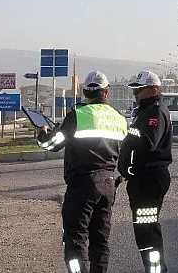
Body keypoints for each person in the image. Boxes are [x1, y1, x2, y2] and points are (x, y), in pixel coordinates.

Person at [37, 71, 127, 273]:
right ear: (106, 92)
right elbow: (125, 151)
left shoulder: (78, 115)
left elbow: (53, 144)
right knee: (100, 241)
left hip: (82, 186)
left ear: (85, 92)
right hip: (108, 185)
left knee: (75, 241)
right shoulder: (119, 118)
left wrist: (42, 134)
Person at [118, 70, 173, 273]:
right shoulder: (144, 110)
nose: (135, 94)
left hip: (150, 179)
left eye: (139, 90)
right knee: (142, 229)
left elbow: (149, 143)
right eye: (135, 89)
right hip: (141, 179)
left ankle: (156, 270)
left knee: (147, 229)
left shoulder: (155, 112)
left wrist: (130, 137)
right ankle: (153, 268)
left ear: (153, 90)